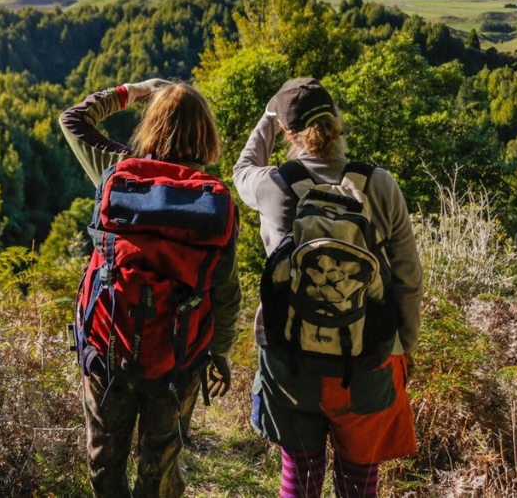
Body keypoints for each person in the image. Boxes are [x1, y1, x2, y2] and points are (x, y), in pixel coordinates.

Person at [233, 78, 422, 498]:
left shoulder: (272, 184)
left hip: (289, 359)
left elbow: (241, 168)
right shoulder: (380, 184)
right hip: (367, 357)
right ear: (337, 124)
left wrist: (268, 116)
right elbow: (408, 276)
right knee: (359, 479)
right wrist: (403, 347)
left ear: (288, 133)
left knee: (299, 473)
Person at [60, 79, 242, 498]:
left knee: (105, 457)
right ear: (206, 135)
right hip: (180, 358)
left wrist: (136, 90)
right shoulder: (213, 202)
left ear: (152, 125)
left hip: (109, 349)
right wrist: (221, 353)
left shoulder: (119, 173)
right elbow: (226, 292)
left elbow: (73, 120)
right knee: (159, 464)